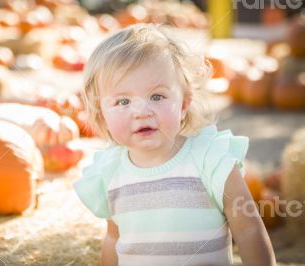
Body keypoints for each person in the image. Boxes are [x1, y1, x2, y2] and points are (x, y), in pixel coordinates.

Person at [73, 24, 276, 266]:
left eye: (157, 96)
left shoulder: (209, 159)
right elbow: (113, 239)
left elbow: (248, 230)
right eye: (123, 101)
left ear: (183, 105)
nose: (141, 111)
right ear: (101, 114)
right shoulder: (109, 172)